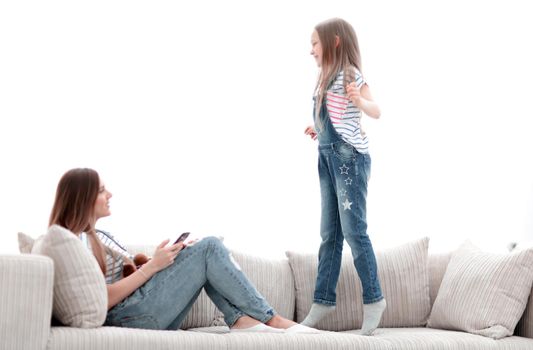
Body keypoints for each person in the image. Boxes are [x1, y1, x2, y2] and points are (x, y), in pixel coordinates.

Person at [49, 167, 318, 333]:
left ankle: (240, 320)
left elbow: (119, 279)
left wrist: (157, 263)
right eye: (102, 190)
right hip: (126, 316)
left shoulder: (99, 236)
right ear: (83, 197)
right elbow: (100, 298)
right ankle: (269, 319)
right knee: (209, 247)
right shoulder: (75, 241)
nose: (110, 195)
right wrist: (153, 268)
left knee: (207, 250)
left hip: (136, 311)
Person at [302, 18, 386, 335]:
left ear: (334, 41)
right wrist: (318, 128)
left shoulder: (350, 74)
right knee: (330, 234)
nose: (310, 50)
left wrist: (360, 101)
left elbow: (376, 110)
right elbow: (333, 118)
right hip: (326, 156)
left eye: (314, 43)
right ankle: (323, 300)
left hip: (348, 158)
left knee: (354, 231)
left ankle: (374, 298)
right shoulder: (323, 78)